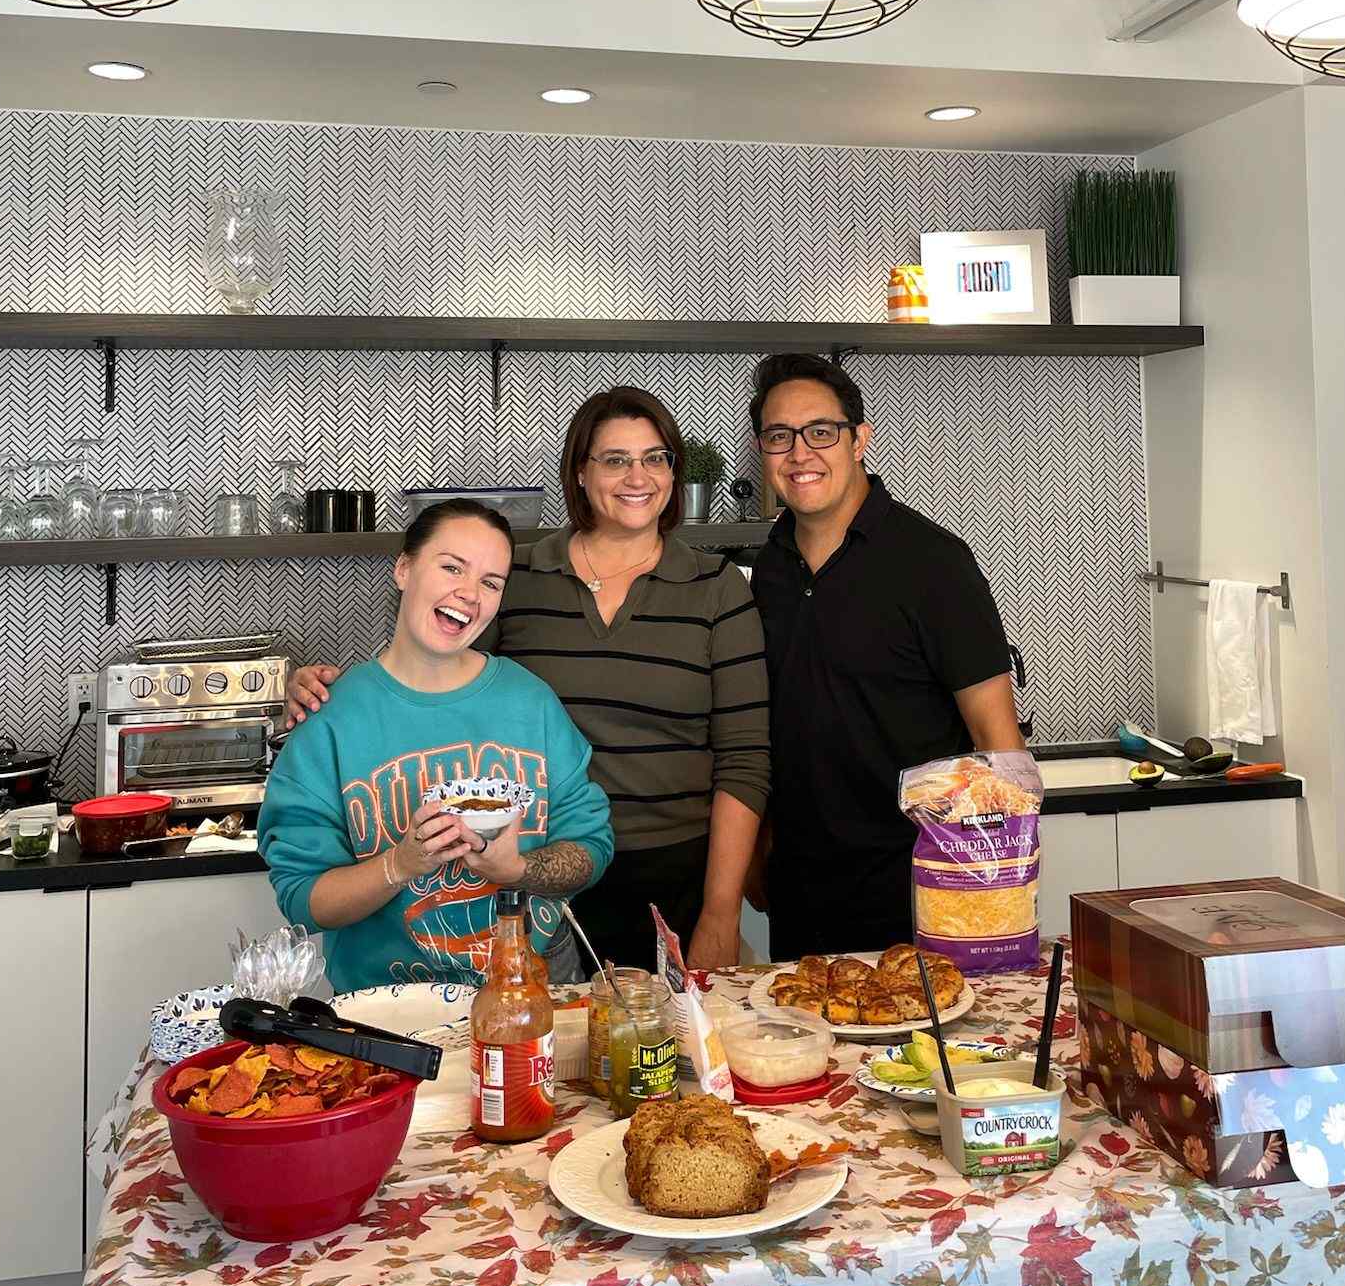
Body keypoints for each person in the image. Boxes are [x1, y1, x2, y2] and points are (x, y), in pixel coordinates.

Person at [284, 388, 770, 972]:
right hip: (527, 872)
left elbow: (744, 758)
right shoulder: (517, 572)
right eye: (615, 459)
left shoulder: (715, 586)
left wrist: (721, 913)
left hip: (669, 872)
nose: (638, 476)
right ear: (581, 472)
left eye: (655, 458)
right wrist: (329, 693)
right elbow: (435, 663)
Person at [259, 498, 613, 993]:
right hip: (389, 1006)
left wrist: (515, 868)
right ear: (404, 569)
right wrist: (400, 865)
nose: (469, 593)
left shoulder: (530, 703)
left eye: (491, 582)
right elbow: (302, 900)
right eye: (452, 567)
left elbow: (592, 848)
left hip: (536, 987)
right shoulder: (330, 719)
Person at [746, 351, 1023, 960]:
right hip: (800, 884)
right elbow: (772, 724)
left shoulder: (932, 562)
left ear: (859, 439)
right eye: (779, 436)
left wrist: (1001, 891)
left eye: (821, 432)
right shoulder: (768, 568)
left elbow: (997, 737)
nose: (800, 453)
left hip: (922, 880)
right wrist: (759, 847)